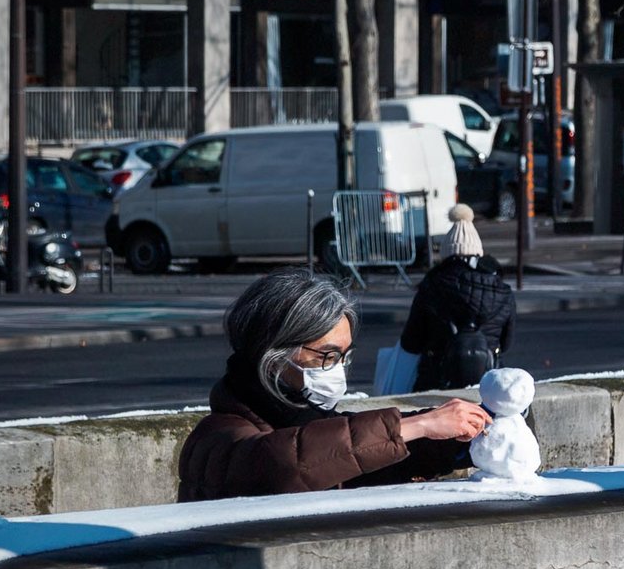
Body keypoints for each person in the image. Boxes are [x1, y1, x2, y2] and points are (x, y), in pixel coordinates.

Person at [178, 267, 490, 502]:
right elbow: (289, 464)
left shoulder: (315, 420)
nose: (337, 370)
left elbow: (357, 460)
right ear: (274, 356)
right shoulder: (216, 436)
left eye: (344, 357)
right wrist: (421, 424)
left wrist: (455, 442)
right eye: (327, 356)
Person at [399, 205, 516, 392]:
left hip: (436, 384)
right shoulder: (503, 291)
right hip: (487, 385)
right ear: (478, 254)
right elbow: (506, 343)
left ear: (446, 254)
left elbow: (410, 343)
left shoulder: (431, 286)